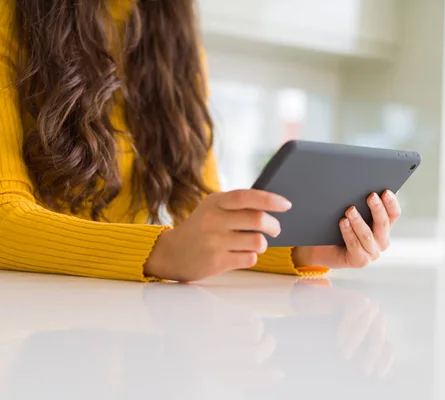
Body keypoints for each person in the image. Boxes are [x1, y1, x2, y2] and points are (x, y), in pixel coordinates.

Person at [0, 0, 402, 283]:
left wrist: (302, 251)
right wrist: (164, 252)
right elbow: (5, 215)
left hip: (131, 330)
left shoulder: (175, 39)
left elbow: (197, 208)